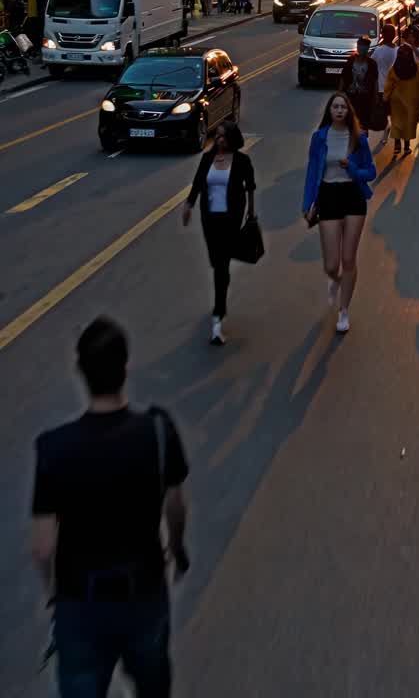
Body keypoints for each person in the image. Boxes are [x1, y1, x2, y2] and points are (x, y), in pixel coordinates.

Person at [31, 317, 189, 696]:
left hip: (81, 603)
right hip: (144, 592)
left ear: (80, 372)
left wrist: (53, 592)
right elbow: (175, 504)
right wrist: (176, 547)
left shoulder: (54, 447)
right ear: (125, 367)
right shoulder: (157, 432)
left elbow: (42, 546)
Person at [302, 92, 376, 333]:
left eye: (343, 107)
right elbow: (313, 171)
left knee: (348, 259)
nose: (340, 110)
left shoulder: (359, 139)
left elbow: (370, 172)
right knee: (332, 264)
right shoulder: (319, 138)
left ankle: (344, 311)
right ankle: (334, 280)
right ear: (329, 111)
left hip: (353, 196)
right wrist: (307, 204)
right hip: (328, 196)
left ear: (349, 111)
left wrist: (352, 168)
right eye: (335, 106)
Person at [183, 120, 256, 345]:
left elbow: (250, 187)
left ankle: (218, 316)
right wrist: (189, 205)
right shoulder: (207, 159)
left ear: (233, 139)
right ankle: (221, 294)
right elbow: (197, 184)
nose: (220, 139)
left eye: (224, 136)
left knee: (221, 265)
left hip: (231, 219)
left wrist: (250, 213)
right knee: (217, 263)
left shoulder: (242, 161)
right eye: (219, 136)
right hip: (210, 219)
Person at [384, 42, 419, 157]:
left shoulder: (393, 69)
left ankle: (397, 145)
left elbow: (388, 86)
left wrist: (385, 98)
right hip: (412, 101)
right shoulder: (417, 67)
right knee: (409, 123)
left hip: (396, 101)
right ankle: (407, 147)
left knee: (397, 123)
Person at [339, 35, 379, 131]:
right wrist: (339, 95)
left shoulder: (372, 64)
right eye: (360, 46)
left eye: (364, 47)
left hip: (365, 100)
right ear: (357, 46)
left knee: (363, 127)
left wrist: (375, 100)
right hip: (350, 98)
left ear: (368, 48)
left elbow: (375, 83)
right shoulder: (350, 61)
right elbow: (343, 78)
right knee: (350, 125)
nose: (362, 49)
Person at [372, 23, 398, 142]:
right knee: (393, 113)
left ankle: (386, 132)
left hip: (382, 88)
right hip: (395, 88)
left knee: (384, 113)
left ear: (382, 35)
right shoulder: (398, 50)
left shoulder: (378, 51)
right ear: (394, 35)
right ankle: (393, 135)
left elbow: (371, 64)